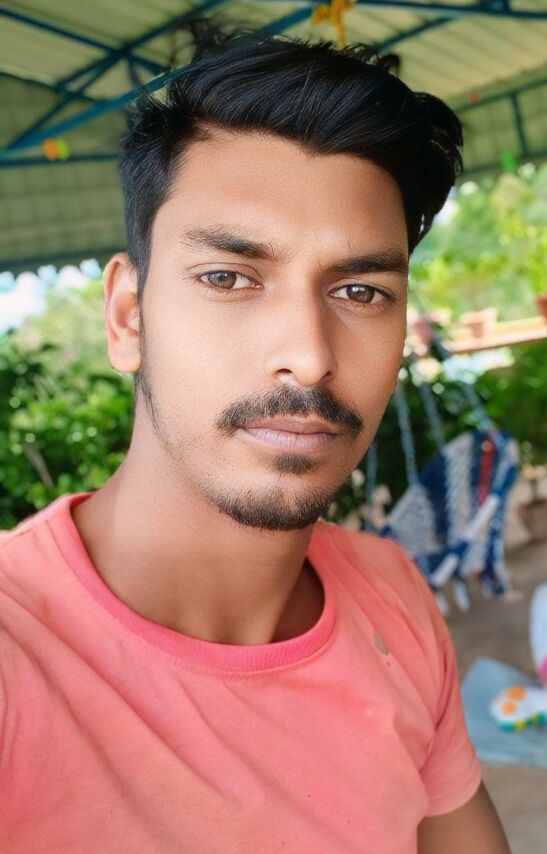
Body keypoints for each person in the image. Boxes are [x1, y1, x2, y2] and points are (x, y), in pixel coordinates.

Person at [0, 22, 510, 853]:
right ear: (128, 318)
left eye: (360, 291)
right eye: (229, 277)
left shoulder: (392, 597)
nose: (309, 355)